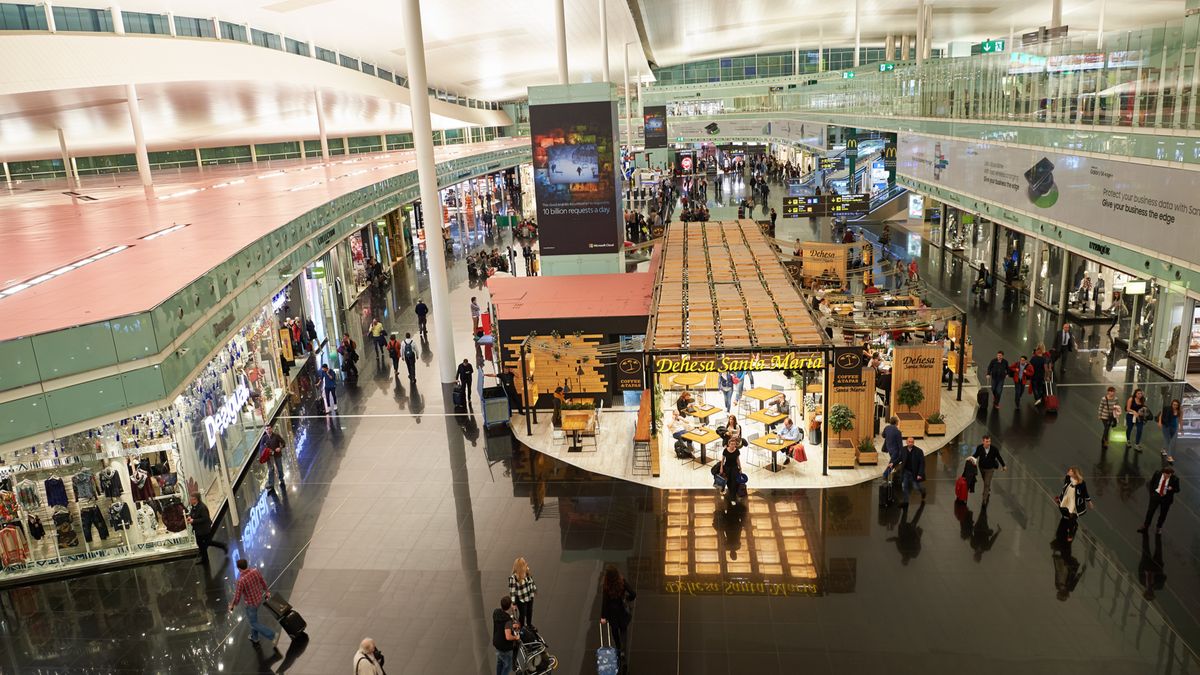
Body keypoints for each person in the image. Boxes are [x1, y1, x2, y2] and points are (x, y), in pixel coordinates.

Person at [228, 558, 276, 644]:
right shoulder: (255, 571)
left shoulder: (241, 581)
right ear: (246, 565)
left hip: (251, 605)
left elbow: (237, 597)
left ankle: (272, 635)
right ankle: (255, 638)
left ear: (239, 568)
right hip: (259, 599)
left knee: (253, 623)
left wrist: (232, 605)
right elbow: (262, 581)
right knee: (253, 620)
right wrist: (267, 591)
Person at [599, 565, 636, 657]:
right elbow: (633, 594)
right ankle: (623, 650)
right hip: (622, 610)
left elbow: (605, 602)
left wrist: (603, 617)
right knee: (623, 630)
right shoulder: (622, 582)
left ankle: (618, 647)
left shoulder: (606, 586)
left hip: (612, 613)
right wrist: (627, 598)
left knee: (615, 631)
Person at [1054, 467, 1092, 543]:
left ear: (1074, 473)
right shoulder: (1068, 478)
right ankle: (1073, 521)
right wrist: (1060, 498)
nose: (1068, 472)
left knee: (1071, 516)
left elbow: (1085, 493)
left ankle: (1070, 533)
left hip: (1074, 503)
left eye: (1070, 471)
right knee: (1063, 511)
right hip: (1067, 499)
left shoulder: (1081, 483)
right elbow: (1064, 489)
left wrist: (1089, 502)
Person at [1139, 466, 1180, 534]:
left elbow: (1178, 489)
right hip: (1156, 496)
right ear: (1163, 472)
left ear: (1171, 474)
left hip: (1166, 499)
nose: (1166, 477)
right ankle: (1145, 525)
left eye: (1168, 476)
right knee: (1150, 512)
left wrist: (1171, 489)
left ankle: (1159, 527)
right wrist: (1152, 494)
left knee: (1163, 514)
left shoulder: (1175, 479)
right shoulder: (1157, 473)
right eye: (1165, 475)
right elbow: (1151, 483)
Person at [188, 492, 226, 564]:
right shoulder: (194, 506)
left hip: (204, 529)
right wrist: (190, 516)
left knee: (208, 542)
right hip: (198, 529)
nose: (190, 500)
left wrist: (193, 521)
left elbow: (205, 518)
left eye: (191, 499)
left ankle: (223, 546)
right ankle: (205, 559)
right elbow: (192, 512)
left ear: (196, 499)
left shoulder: (202, 507)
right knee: (200, 544)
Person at [972, 435, 1007, 502]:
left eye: (989, 441)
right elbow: (975, 455)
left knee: (987, 483)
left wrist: (1003, 465)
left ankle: (984, 499)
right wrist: (970, 459)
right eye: (987, 441)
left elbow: (999, 457)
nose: (988, 443)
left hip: (990, 469)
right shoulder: (979, 448)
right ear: (983, 442)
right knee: (984, 480)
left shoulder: (994, 449)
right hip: (981, 467)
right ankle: (988, 489)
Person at [491, 596, 520, 675]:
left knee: (499, 663)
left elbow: (502, 626)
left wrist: (511, 625)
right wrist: (516, 637)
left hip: (497, 643)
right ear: (509, 606)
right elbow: (508, 637)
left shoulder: (496, 612)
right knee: (507, 666)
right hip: (505, 648)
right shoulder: (507, 621)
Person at [508, 557, 538, 629]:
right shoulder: (514, 578)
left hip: (529, 596)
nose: (526, 564)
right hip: (521, 599)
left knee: (529, 611)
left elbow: (531, 581)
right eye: (524, 564)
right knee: (523, 614)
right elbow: (512, 591)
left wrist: (534, 589)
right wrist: (513, 603)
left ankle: (529, 624)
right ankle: (522, 627)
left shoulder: (526, 572)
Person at [261, 425, 285, 492]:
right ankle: (271, 484)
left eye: (269, 428)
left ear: (271, 429)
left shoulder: (276, 436)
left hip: (277, 455)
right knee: (271, 470)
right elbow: (261, 446)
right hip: (269, 456)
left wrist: (279, 448)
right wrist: (265, 449)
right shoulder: (264, 438)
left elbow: (283, 443)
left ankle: (281, 478)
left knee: (279, 467)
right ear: (265, 430)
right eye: (267, 429)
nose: (268, 430)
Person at [720, 436, 742, 506]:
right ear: (729, 444)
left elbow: (737, 460)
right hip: (727, 467)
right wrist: (721, 468)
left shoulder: (737, 451)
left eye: (734, 444)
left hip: (734, 468)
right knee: (728, 481)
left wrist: (740, 467)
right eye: (731, 444)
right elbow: (722, 460)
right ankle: (727, 490)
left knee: (734, 482)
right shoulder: (725, 450)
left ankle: (733, 498)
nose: (733, 445)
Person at [882, 416, 903, 481]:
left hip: (889, 449)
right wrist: (901, 454)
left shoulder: (886, 428)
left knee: (894, 462)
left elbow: (883, 435)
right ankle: (885, 475)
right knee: (892, 463)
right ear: (896, 422)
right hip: (895, 451)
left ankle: (897, 474)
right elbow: (900, 444)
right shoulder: (898, 432)